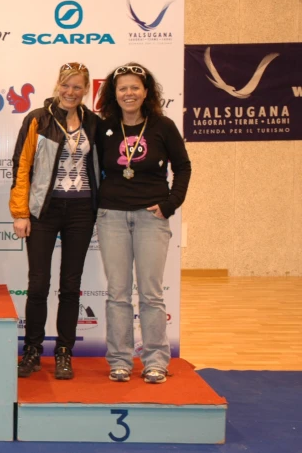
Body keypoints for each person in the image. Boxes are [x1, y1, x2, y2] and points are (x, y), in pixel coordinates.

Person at [95, 63, 191, 384]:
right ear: (114, 93)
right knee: (118, 293)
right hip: (112, 218)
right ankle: (120, 360)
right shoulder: (104, 128)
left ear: (146, 91)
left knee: (151, 294)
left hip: (152, 218)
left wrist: (169, 204)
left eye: (135, 87)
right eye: (122, 88)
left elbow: (183, 167)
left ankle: (155, 361)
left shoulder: (163, 126)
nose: (129, 93)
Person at [10, 63, 101, 380]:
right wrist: (20, 213)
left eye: (78, 87)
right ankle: (33, 350)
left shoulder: (94, 122)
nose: (71, 92)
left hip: (80, 211)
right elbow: (21, 166)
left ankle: (64, 352)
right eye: (66, 85)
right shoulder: (38, 119)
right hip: (43, 210)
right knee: (38, 285)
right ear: (58, 85)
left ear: (86, 89)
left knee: (70, 287)